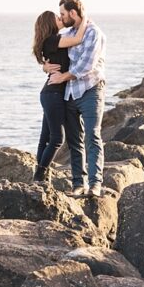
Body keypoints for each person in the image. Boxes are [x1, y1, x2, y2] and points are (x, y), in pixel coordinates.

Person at [44, 0, 107, 198]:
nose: (61, 18)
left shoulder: (93, 33)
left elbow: (86, 65)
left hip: (90, 89)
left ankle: (95, 184)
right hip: (70, 91)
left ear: (73, 13)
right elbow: (53, 56)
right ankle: (78, 185)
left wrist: (63, 76)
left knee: (92, 135)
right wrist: (45, 66)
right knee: (73, 141)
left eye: (63, 13)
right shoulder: (70, 33)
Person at [31, 9, 88, 185]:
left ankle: (39, 176)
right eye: (57, 17)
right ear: (50, 23)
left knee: (45, 138)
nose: (60, 18)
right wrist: (84, 18)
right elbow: (78, 39)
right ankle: (40, 175)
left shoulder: (50, 41)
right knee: (57, 139)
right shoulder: (54, 40)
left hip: (50, 93)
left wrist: (44, 68)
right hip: (53, 94)